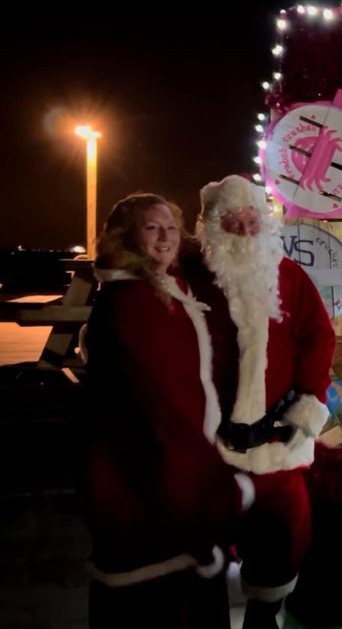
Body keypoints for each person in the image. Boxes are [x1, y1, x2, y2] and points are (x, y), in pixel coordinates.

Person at [83, 193, 255, 628]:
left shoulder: (163, 289)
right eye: (151, 227)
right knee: (161, 607)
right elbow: (162, 405)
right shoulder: (133, 303)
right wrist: (212, 483)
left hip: (167, 476)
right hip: (150, 482)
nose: (164, 237)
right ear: (127, 235)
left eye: (171, 228)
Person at [182, 175, 335, 629]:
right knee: (200, 534)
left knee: (285, 532)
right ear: (211, 228)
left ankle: (263, 616)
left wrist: (307, 402)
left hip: (275, 439)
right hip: (208, 442)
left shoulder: (289, 275)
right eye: (233, 223)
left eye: (252, 220)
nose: (247, 232)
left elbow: (318, 338)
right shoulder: (189, 278)